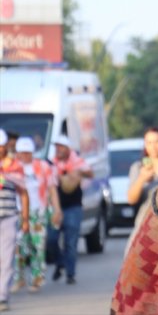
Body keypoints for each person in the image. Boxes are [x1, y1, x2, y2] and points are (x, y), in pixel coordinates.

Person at [11, 137, 62, 294]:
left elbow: (52, 189)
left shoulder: (43, 167)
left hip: (38, 212)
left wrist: (57, 209)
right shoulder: (11, 168)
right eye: (22, 153)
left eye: (28, 153)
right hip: (18, 212)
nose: (25, 156)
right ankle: (19, 279)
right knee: (18, 247)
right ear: (17, 153)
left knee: (38, 247)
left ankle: (37, 279)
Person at [47, 135, 92, 285]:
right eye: (57, 146)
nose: (58, 149)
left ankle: (70, 274)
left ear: (68, 149)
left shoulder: (77, 162)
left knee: (70, 243)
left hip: (73, 208)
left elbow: (90, 173)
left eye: (61, 146)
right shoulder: (52, 164)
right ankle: (60, 262)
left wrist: (78, 173)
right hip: (55, 208)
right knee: (51, 239)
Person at [0, 129, 29, 312]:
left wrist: (25, 218)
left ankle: (2, 296)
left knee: (6, 258)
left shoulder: (15, 166)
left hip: (9, 217)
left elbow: (23, 193)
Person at [126, 126, 158, 228]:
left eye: (157, 142)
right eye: (149, 143)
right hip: (146, 223)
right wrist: (142, 179)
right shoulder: (138, 167)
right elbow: (131, 199)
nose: (153, 147)